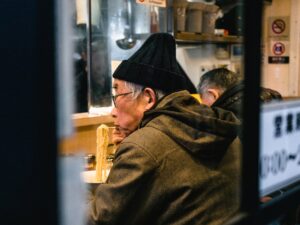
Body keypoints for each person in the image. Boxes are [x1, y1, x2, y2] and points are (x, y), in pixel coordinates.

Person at [87, 33, 241, 225]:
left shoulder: (142, 148)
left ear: (148, 98)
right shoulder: (217, 126)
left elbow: (98, 219)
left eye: (117, 94)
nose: (113, 110)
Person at [197, 68, 282, 121]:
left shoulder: (228, 118)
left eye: (204, 103)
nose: (205, 108)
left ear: (213, 94)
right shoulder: (269, 96)